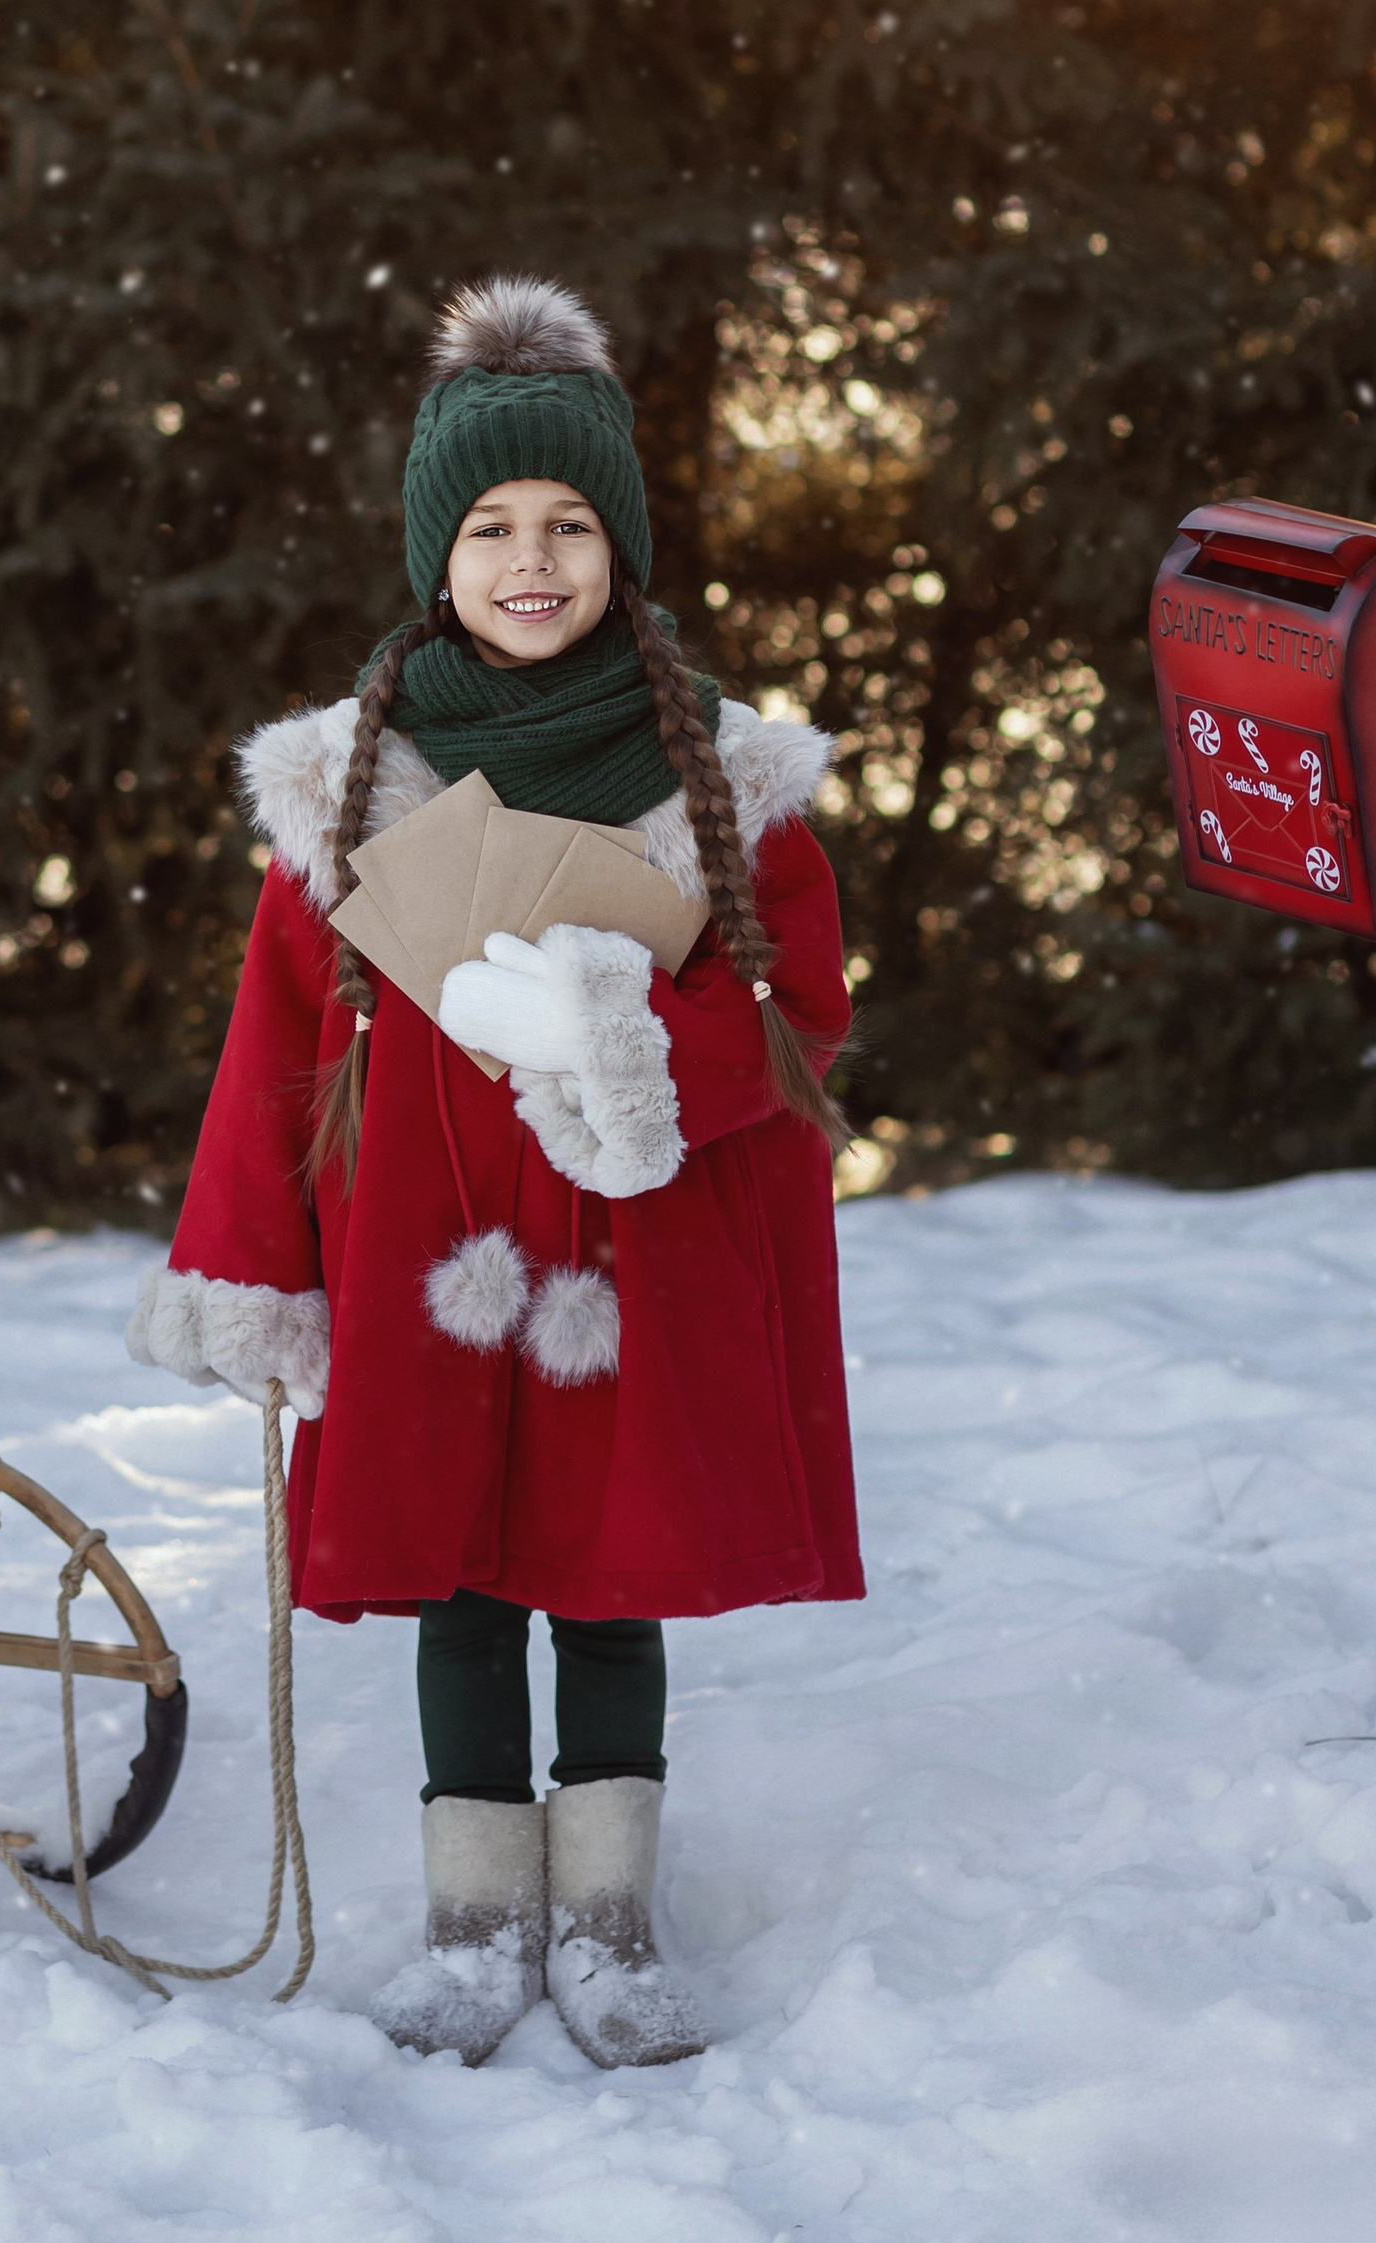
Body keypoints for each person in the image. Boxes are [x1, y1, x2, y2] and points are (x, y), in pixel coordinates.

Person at [130, 276, 859, 2068]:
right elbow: (277, 1048)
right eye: (490, 528)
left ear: (617, 543)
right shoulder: (357, 793)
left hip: (630, 1260)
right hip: (426, 1265)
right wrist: (254, 1270)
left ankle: (607, 1924)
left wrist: (629, 1042)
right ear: (432, 555)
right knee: (460, 1587)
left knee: (609, 1582)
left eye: (567, 524)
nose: (532, 561)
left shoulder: (717, 787)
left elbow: (799, 1019)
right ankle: (475, 1926)